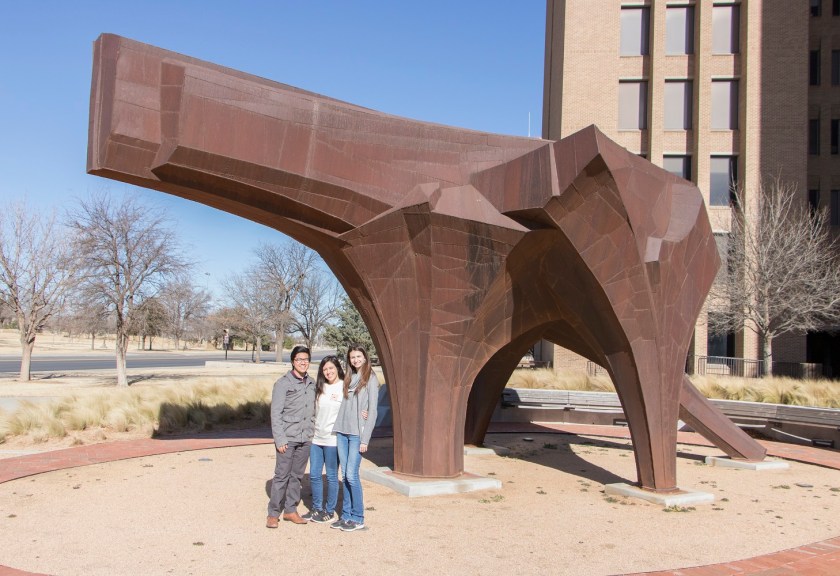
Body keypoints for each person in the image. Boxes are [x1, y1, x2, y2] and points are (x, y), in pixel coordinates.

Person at [266, 345, 315, 528]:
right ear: (293, 361)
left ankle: (290, 510)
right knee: (281, 476)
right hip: (287, 438)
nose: (303, 362)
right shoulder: (283, 383)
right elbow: (275, 413)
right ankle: (273, 513)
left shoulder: (311, 383)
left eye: (306, 359)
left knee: (297, 476)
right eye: (299, 359)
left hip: (305, 437)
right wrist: (280, 439)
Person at [331, 345, 379, 532]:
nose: (356, 360)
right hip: (343, 431)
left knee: (352, 475)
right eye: (352, 357)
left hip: (357, 434)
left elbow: (373, 410)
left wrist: (365, 439)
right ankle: (346, 516)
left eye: (359, 356)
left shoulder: (370, 378)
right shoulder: (349, 377)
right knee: (345, 475)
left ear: (365, 358)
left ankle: (358, 517)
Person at [302, 355, 345, 524]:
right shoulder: (320, 388)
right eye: (325, 369)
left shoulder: (344, 387)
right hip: (317, 438)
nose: (328, 372)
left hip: (333, 440)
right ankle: (317, 508)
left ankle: (329, 510)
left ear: (337, 369)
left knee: (332, 476)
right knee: (314, 475)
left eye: (331, 368)